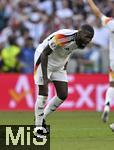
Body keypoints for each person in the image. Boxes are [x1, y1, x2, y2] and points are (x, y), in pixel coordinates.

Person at [34, 24, 94, 137]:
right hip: (43, 59)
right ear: (79, 32)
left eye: (90, 38)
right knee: (43, 94)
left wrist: (65, 64)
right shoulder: (63, 37)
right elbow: (44, 53)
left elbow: (68, 50)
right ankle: (38, 128)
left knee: (63, 94)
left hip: (59, 63)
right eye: (87, 37)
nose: (88, 40)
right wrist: (46, 77)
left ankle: (42, 119)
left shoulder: (80, 41)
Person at [87, 0, 114, 128]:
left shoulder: (111, 23)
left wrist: (90, 1)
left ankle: (107, 105)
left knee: (112, 85)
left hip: (113, 61)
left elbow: (98, 13)